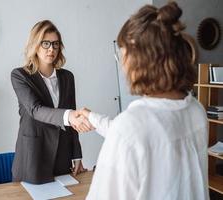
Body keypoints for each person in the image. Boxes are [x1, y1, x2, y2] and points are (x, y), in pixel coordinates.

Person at [77, 2, 209, 199]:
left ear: (139, 59)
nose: (121, 64)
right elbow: (145, 138)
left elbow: (134, 136)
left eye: (121, 54)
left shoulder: (132, 126)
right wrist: (92, 117)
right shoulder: (196, 111)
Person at [11, 20, 92, 184]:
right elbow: (35, 109)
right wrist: (69, 116)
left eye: (56, 44)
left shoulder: (67, 77)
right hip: (33, 157)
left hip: (62, 156)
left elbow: (73, 120)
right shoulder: (20, 76)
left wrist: (77, 155)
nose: (51, 49)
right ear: (35, 45)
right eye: (45, 43)